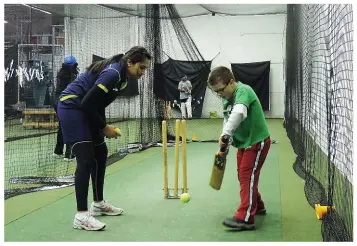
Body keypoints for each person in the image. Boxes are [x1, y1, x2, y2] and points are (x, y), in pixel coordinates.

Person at [56, 46, 152, 231]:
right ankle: (82, 215)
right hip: (71, 106)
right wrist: (104, 127)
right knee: (85, 158)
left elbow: (98, 103)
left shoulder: (122, 78)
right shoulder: (113, 73)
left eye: (146, 68)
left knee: (101, 152)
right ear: (129, 62)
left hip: (85, 108)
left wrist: (103, 128)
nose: (143, 72)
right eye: (141, 67)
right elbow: (87, 103)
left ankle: (98, 204)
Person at [207, 66, 271, 231]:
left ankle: (246, 217)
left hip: (257, 141)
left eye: (220, 90)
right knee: (243, 175)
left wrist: (226, 134)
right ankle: (259, 205)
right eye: (216, 92)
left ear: (231, 82)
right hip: (244, 142)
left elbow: (239, 113)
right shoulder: (226, 98)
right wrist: (225, 141)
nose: (219, 95)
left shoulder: (244, 90)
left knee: (246, 175)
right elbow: (228, 119)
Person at [53, 56, 79, 161]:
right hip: (65, 102)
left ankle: (58, 151)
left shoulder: (61, 73)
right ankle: (69, 154)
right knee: (70, 126)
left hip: (57, 101)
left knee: (62, 126)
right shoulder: (70, 75)